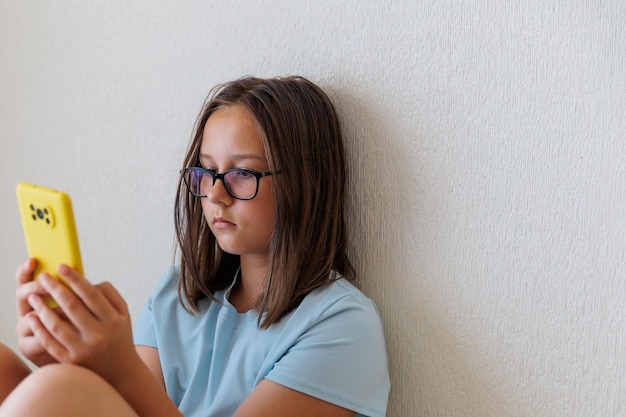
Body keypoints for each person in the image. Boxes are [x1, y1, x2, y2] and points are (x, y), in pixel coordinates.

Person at [0, 76, 390, 417]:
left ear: (303, 184)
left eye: (240, 173)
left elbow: (120, 390)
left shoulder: (341, 325)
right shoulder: (176, 295)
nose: (215, 195)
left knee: (57, 389)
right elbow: (121, 406)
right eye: (206, 172)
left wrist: (117, 368)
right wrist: (60, 356)